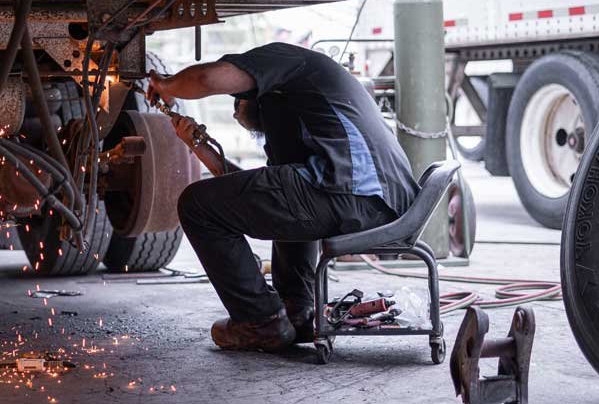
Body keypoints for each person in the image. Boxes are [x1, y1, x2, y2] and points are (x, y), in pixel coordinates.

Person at [147, 42, 419, 352]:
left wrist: (165, 84)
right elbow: (257, 196)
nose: (236, 113)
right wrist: (198, 145)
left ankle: (259, 322)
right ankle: (298, 312)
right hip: (373, 201)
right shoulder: (301, 115)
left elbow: (208, 79)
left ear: (259, 84)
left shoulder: (287, 61)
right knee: (285, 196)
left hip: (356, 194)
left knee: (196, 205)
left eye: (239, 101)